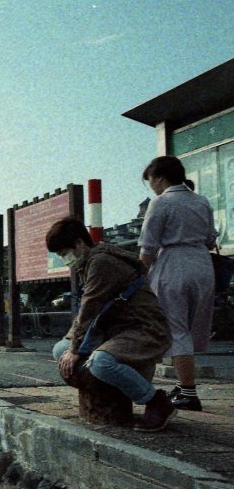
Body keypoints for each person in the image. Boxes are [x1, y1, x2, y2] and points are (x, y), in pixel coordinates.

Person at [47, 217, 175, 432]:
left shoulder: (102, 263)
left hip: (143, 329)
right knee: (60, 349)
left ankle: (155, 401)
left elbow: (89, 309)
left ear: (79, 243)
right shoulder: (89, 262)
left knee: (101, 363)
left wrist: (76, 349)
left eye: (64, 253)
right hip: (115, 330)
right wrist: (70, 345)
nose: (64, 259)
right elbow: (84, 315)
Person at [139, 155, 217, 411]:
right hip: (203, 264)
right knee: (194, 325)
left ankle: (188, 391)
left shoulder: (160, 203)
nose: (150, 185)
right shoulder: (202, 201)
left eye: (150, 180)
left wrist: (139, 278)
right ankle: (183, 387)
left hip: (173, 263)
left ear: (159, 177)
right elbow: (209, 238)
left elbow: (148, 247)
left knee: (176, 327)